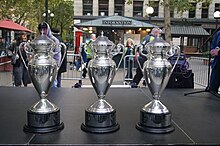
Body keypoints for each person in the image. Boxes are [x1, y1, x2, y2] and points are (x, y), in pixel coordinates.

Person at [38, 22, 61, 87]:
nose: (42, 31)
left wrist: (56, 65)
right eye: (41, 29)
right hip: (40, 66)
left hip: (51, 66)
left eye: (44, 29)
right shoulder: (38, 39)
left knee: (52, 83)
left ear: (48, 29)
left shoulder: (54, 40)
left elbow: (57, 54)